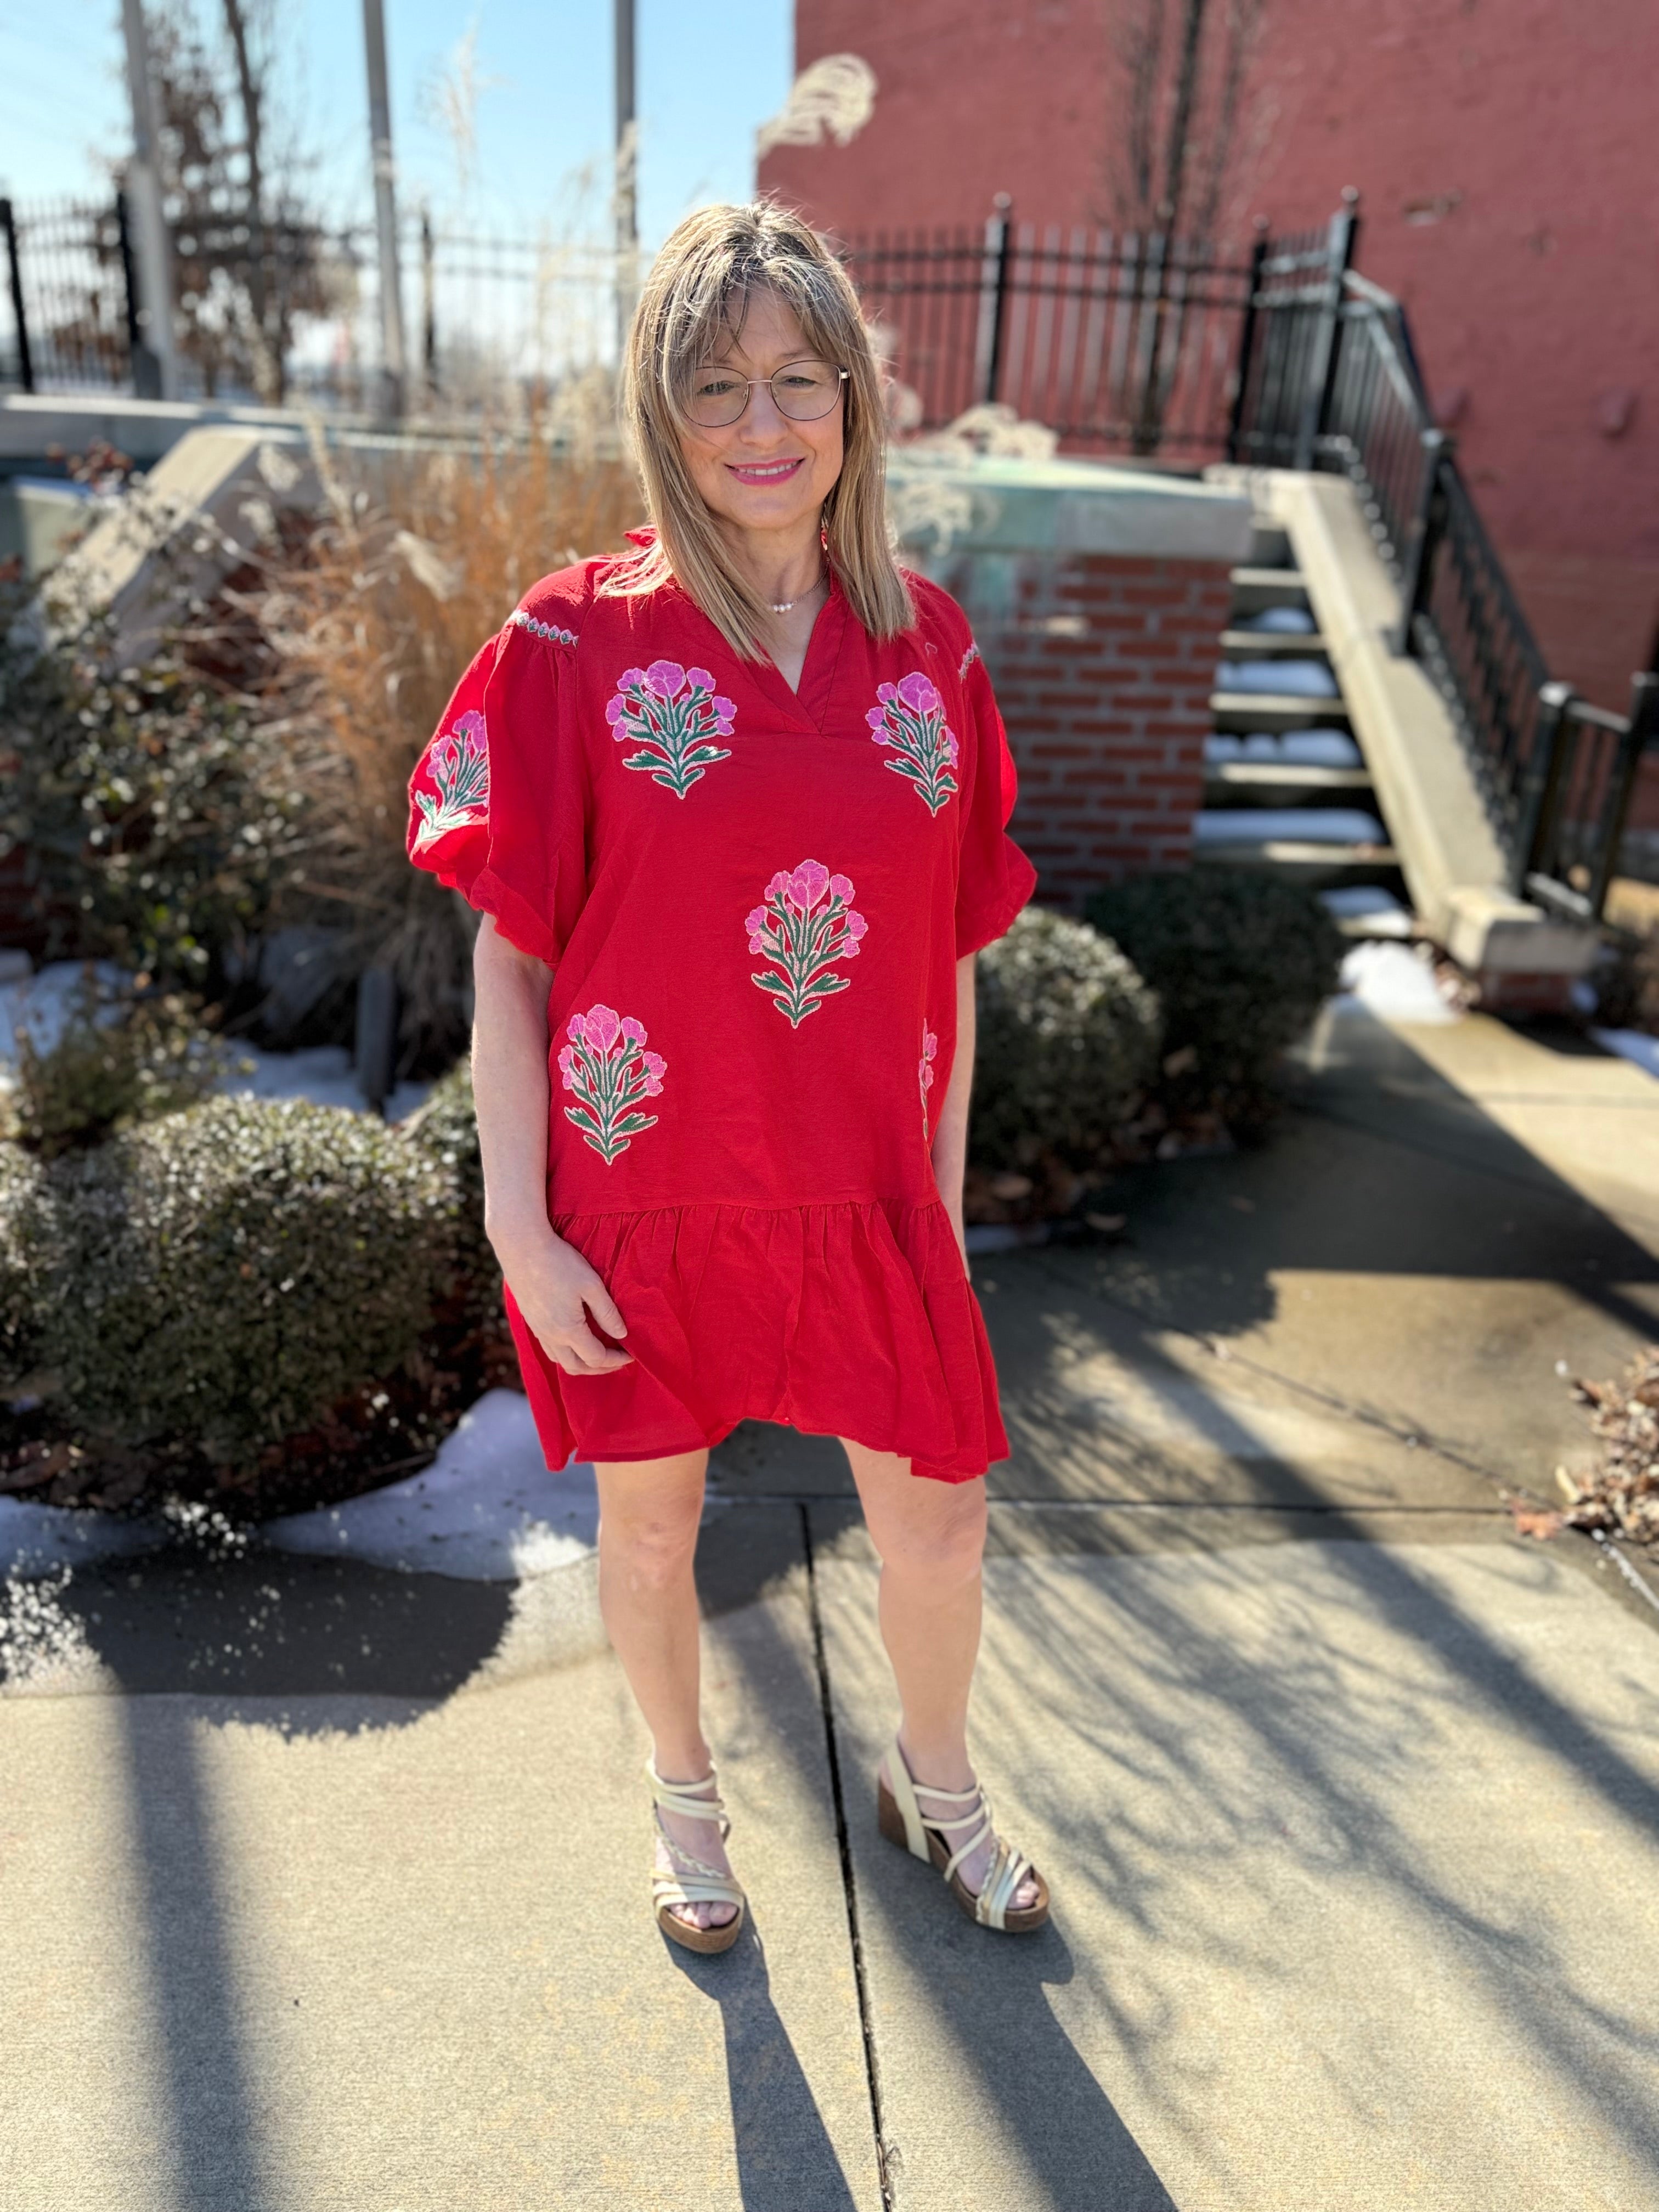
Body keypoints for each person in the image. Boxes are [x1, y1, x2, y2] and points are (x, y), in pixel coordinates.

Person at [407, 200, 1048, 1954]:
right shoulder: (569, 643)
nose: (763, 428)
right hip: (646, 1190)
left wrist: (946, 1193)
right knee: (651, 1533)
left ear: (853, 400)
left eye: (798, 380)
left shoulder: (934, 651)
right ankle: (686, 1807)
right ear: (660, 412)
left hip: (865, 1189)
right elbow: (511, 957)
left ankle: (943, 1783)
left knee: (942, 1532)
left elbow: (956, 956)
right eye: (716, 387)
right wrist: (521, 1226)